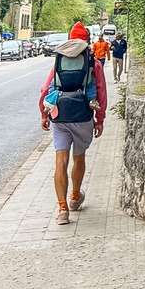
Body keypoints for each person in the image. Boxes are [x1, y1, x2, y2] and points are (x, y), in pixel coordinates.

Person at [39, 22, 107, 225]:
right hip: (83, 115)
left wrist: (44, 114)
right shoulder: (92, 62)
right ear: (86, 40)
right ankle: (75, 197)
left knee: (60, 160)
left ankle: (62, 209)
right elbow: (101, 92)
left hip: (59, 115)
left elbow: (46, 88)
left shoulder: (59, 60)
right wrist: (100, 119)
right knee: (79, 157)